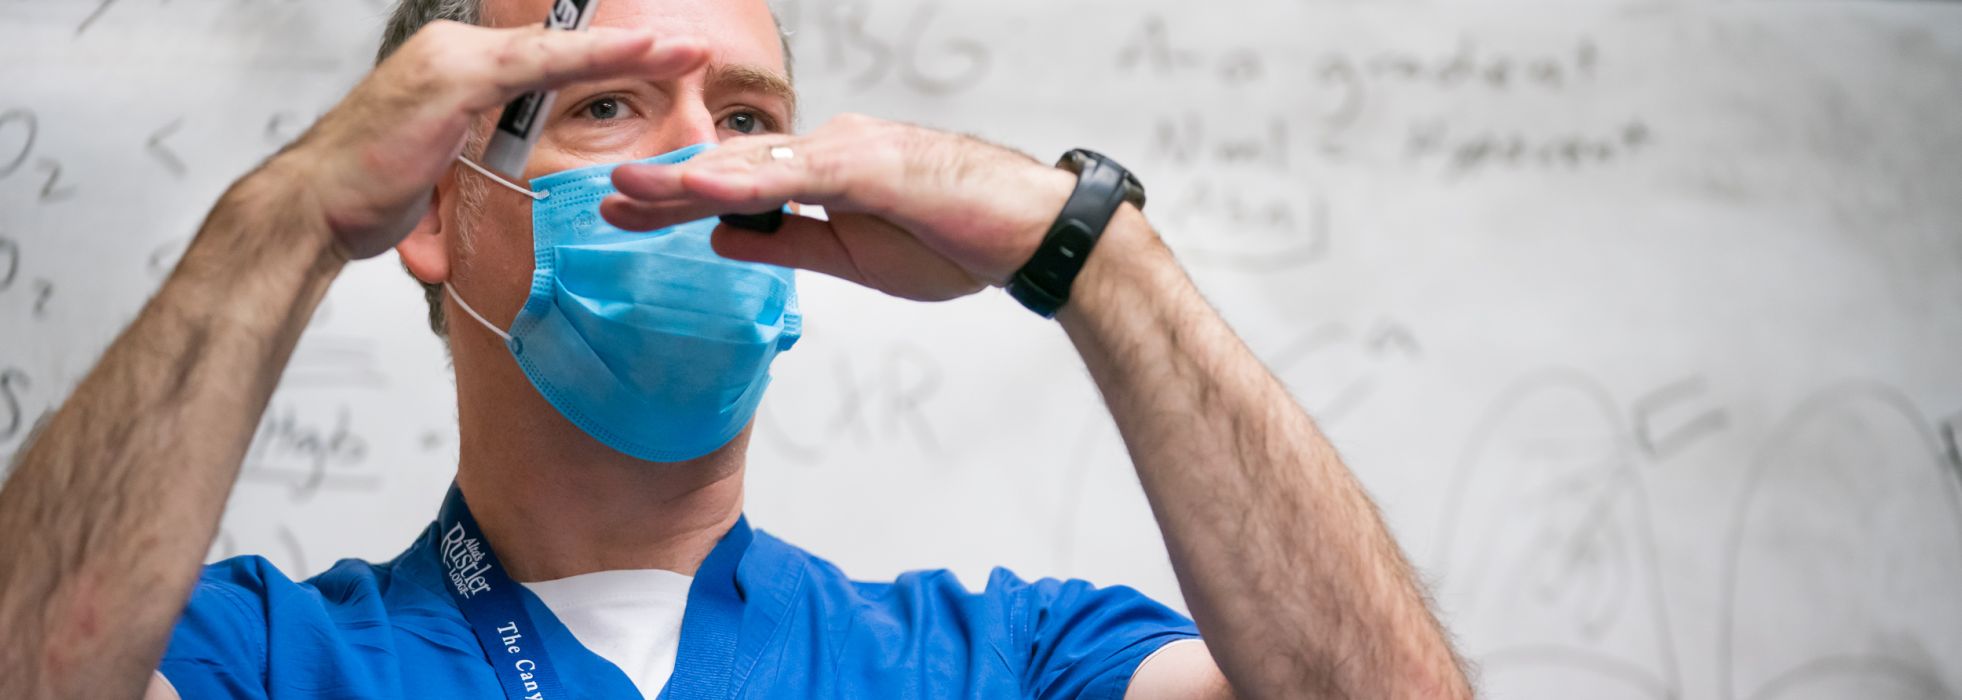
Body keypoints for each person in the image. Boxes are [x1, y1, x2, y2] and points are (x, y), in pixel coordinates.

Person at [0, 0, 1473, 697]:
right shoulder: (259, 660)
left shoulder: (1003, 663)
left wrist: (1088, 251)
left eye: (753, 119)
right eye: (607, 106)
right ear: (441, 204)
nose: (710, 161)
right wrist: (285, 219)